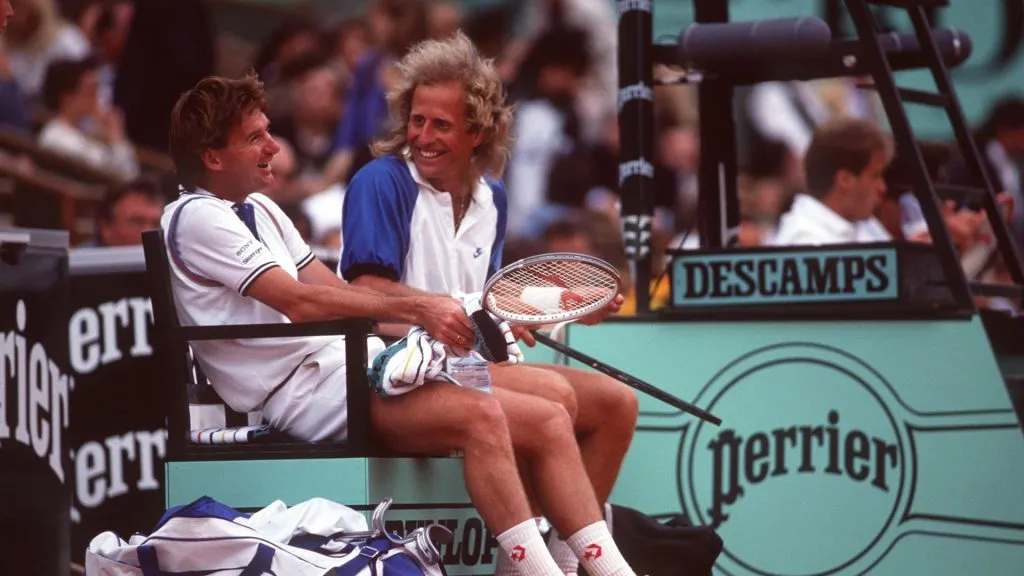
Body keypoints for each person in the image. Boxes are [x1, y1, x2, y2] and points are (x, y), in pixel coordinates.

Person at [165, 72, 636, 576]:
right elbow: (302, 303)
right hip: (304, 391)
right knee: (489, 417)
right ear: (213, 158)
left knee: (552, 413)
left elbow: (342, 295)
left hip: (359, 363)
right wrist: (423, 313)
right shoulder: (195, 215)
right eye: (256, 138)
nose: (275, 147)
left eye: (267, 132)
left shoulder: (259, 207)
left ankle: (589, 570)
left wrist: (490, 310)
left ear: (477, 134)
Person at [340, 32, 639, 576]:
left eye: (442, 125)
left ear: (478, 132)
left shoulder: (492, 198)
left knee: (618, 405)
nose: (423, 136)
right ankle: (547, 565)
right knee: (551, 397)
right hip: (397, 368)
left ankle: (566, 564)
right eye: (417, 120)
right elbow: (363, 294)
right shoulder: (380, 182)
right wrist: (455, 308)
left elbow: (486, 304)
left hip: (468, 365)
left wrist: (562, 308)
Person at [771, 118, 894, 245]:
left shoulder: (866, 224)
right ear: (845, 180)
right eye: (875, 176)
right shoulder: (805, 242)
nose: (882, 187)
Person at [83, 176, 164, 247]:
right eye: (137, 222)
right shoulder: (77, 263)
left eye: (156, 224)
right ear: (105, 227)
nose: (149, 233)